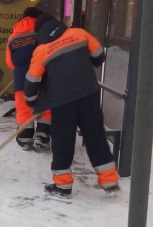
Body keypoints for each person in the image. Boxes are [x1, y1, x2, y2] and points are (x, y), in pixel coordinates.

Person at [24, 13, 119, 198]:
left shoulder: (42, 50)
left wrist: (32, 101)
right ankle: (110, 181)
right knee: (95, 136)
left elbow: (31, 82)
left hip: (62, 102)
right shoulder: (79, 33)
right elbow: (100, 55)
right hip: (88, 94)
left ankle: (63, 186)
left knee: (62, 142)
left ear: (40, 33)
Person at [6, 7, 51, 151]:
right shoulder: (43, 32)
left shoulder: (13, 36)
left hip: (21, 80)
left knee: (24, 108)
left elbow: (10, 62)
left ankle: (25, 139)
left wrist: (21, 69)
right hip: (43, 77)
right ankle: (42, 137)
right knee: (46, 107)